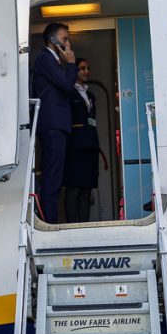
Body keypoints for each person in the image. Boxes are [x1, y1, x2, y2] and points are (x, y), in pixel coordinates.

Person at [32, 23, 79, 223]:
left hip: (57, 123)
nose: (68, 43)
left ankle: (50, 218)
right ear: (52, 40)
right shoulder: (45, 58)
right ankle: (48, 221)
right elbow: (67, 85)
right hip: (52, 123)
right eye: (65, 38)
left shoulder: (54, 61)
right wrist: (71, 63)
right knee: (52, 174)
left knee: (56, 173)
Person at [64, 58, 101, 222]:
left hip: (91, 145)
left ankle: (84, 225)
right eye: (82, 68)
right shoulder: (67, 92)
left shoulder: (91, 95)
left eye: (88, 68)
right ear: (74, 71)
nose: (87, 71)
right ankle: (71, 226)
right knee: (74, 188)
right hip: (75, 146)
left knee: (87, 188)